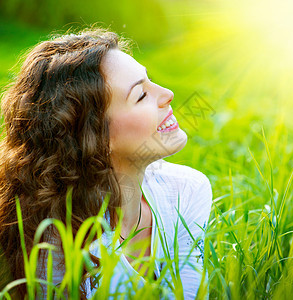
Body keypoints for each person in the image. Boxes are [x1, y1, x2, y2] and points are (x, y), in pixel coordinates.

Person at [0, 28, 212, 299]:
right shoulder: (54, 242)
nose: (167, 94)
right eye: (141, 95)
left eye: (150, 81)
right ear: (95, 137)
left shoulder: (186, 192)